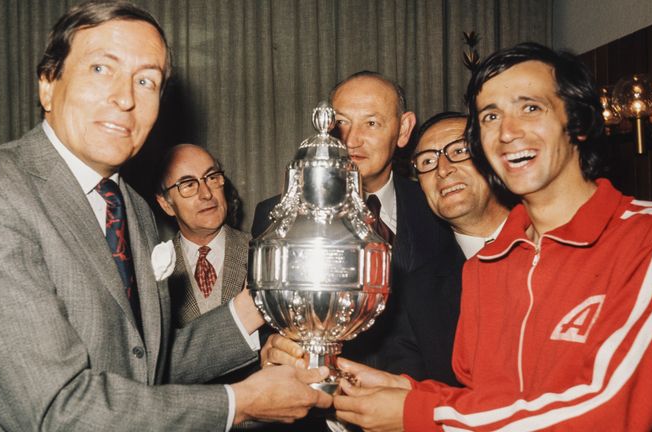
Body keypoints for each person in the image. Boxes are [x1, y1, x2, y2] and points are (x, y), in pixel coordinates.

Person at [0, 2, 330, 431]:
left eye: (146, 80)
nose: (125, 97)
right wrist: (237, 403)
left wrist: (259, 303)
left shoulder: (131, 207)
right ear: (47, 83)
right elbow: (57, 410)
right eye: (101, 69)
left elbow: (141, 367)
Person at [328, 42, 652, 431]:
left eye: (530, 108)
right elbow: (498, 403)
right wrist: (407, 390)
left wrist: (417, 413)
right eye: (490, 116)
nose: (507, 132)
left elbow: (609, 410)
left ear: (578, 124)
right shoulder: (486, 265)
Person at [252, 71, 457, 370]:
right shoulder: (278, 215)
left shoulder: (438, 208)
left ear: (403, 130)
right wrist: (271, 350)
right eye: (341, 123)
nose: (351, 140)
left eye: (371, 123)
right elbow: (266, 325)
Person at [378, 112, 510, 383]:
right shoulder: (413, 293)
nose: (443, 168)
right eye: (427, 161)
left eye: (460, 150)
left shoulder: (559, 246)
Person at [155, 144, 251, 329]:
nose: (206, 193)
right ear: (166, 204)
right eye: (189, 184)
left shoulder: (261, 254)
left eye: (212, 178)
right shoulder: (153, 271)